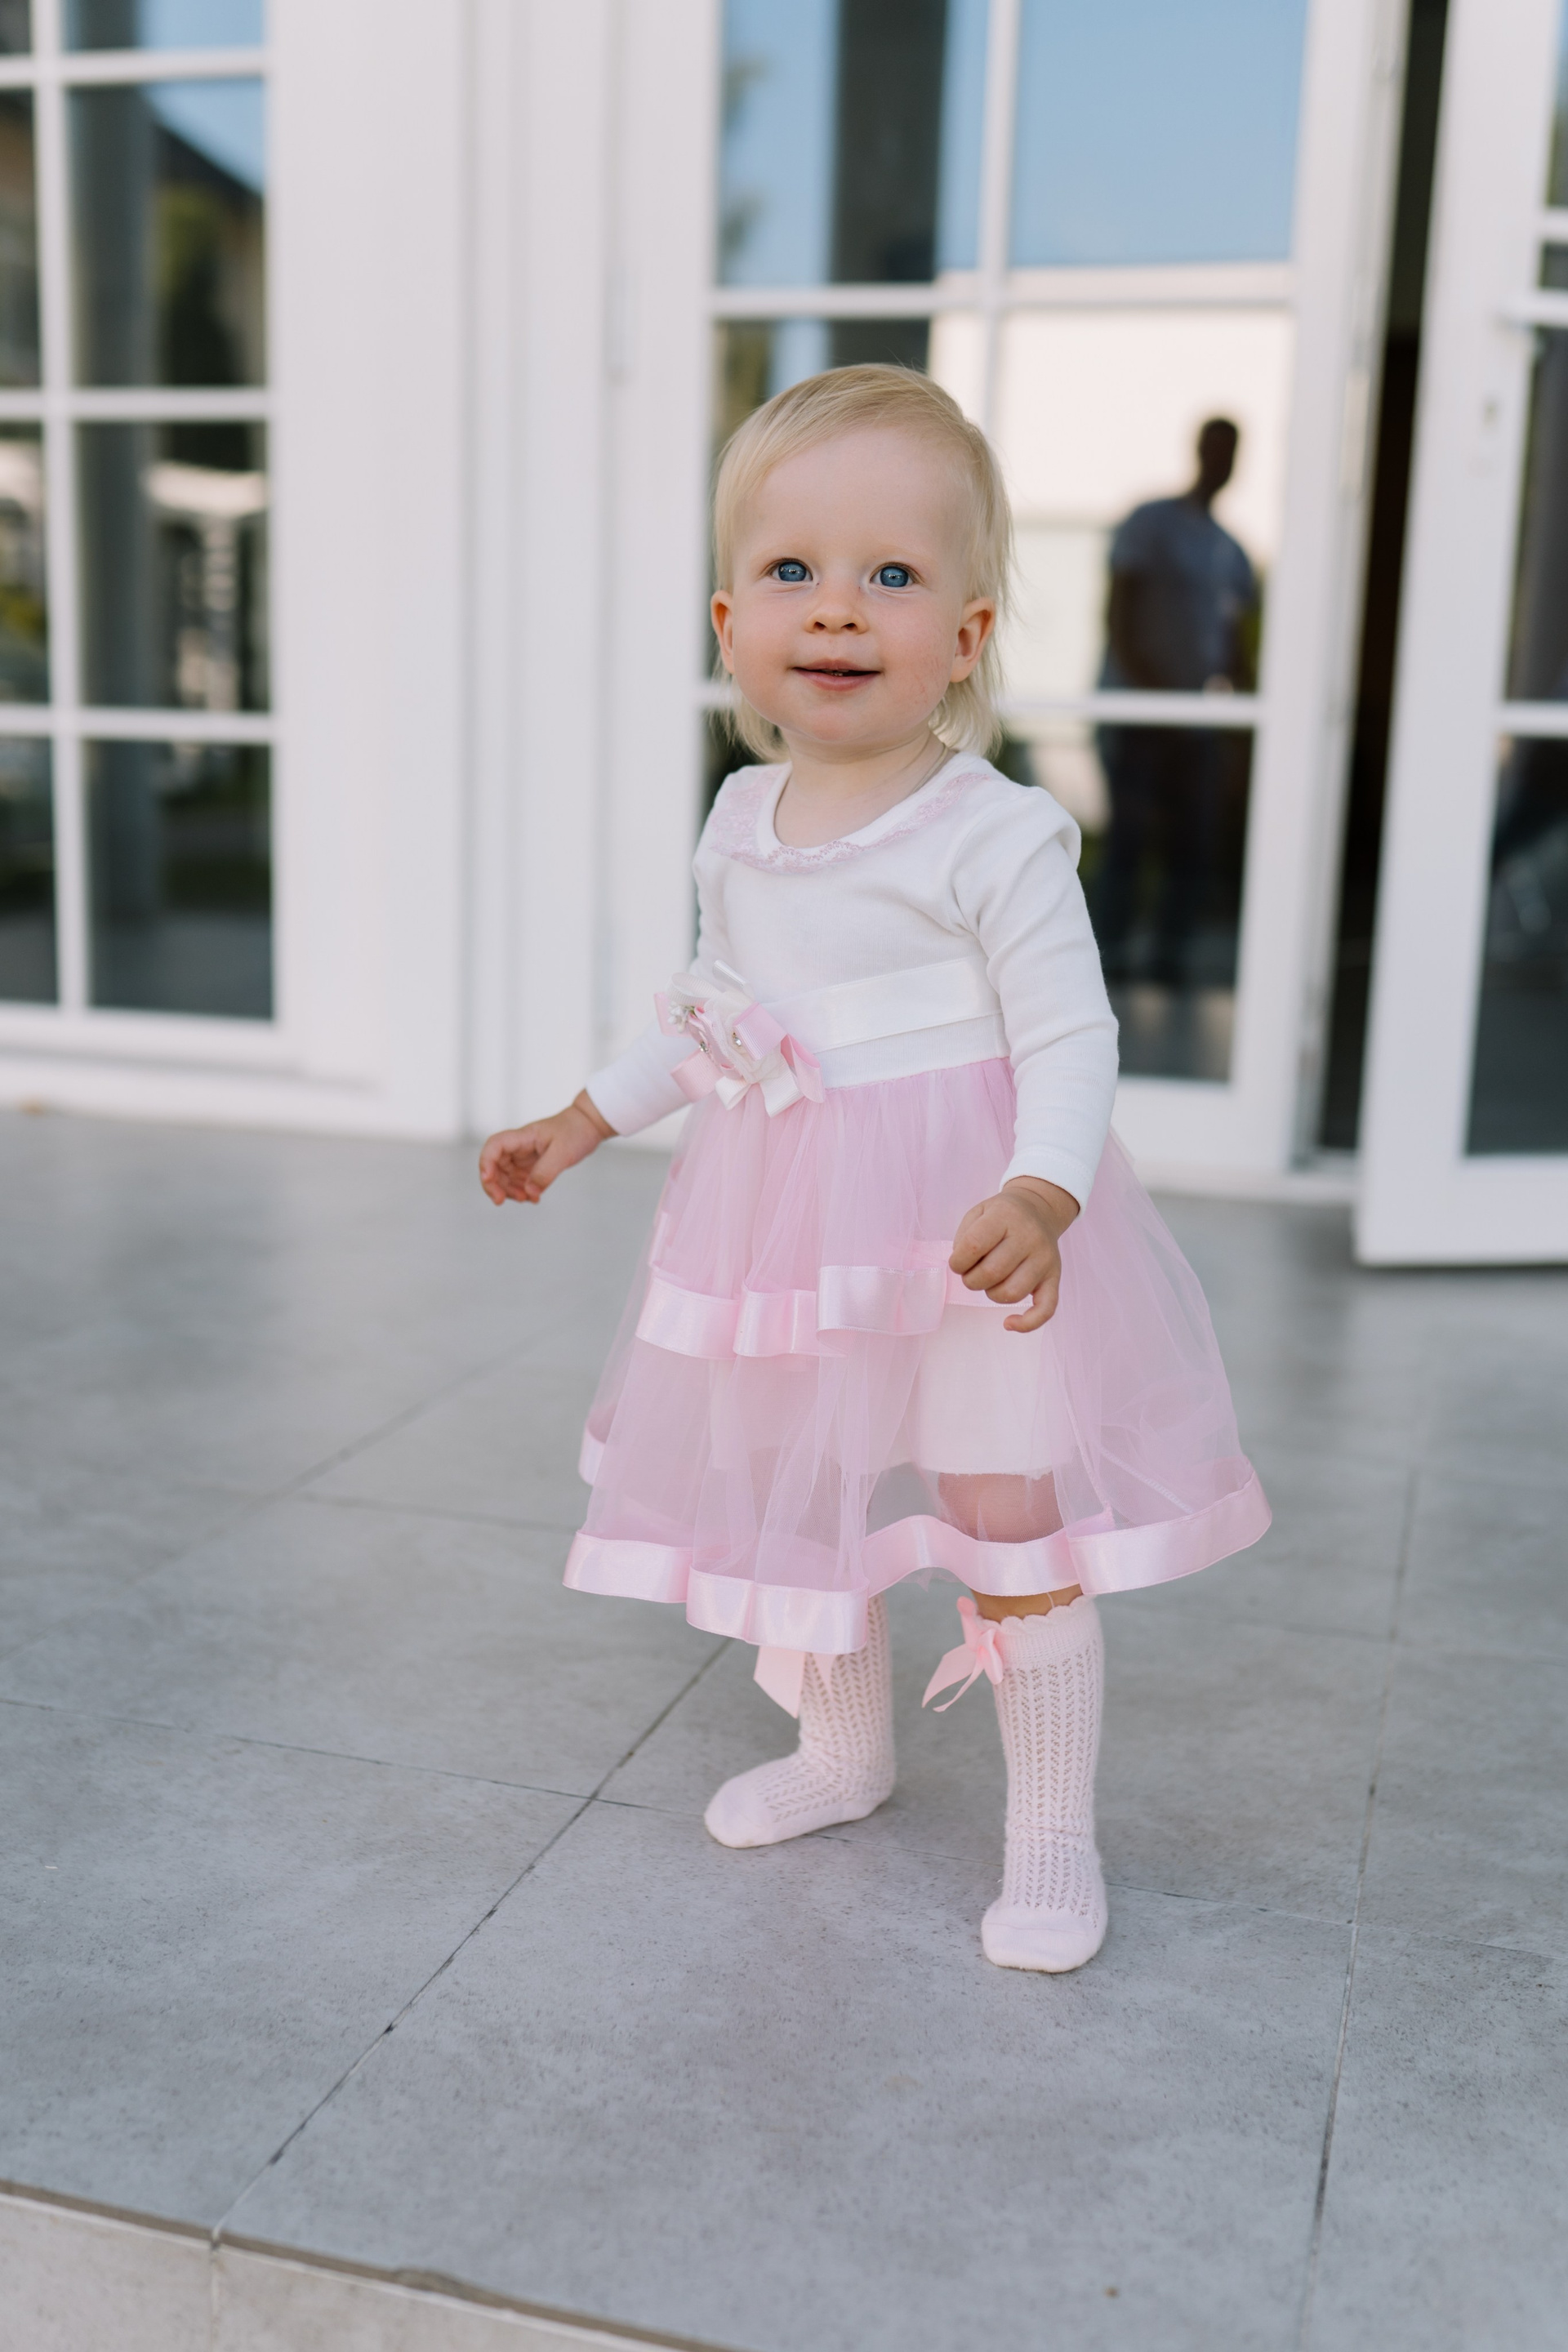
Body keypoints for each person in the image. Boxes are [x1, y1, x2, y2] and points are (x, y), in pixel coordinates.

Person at [479, 368, 1269, 1975]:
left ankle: (1051, 1834)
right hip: (785, 1233)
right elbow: (714, 1017)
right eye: (793, 571)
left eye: (892, 575)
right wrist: (583, 1118)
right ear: (729, 622)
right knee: (805, 1491)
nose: (838, 608)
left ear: (965, 637)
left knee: (1006, 1516)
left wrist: (1041, 1193)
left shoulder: (994, 832)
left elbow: (1073, 1036)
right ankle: (842, 1752)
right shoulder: (739, 817)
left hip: (961, 1235)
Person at [1095, 417, 1258, 985]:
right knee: (1129, 839)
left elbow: (1233, 648)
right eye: (1215, 449)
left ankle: (1170, 959)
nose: (1221, 461)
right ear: (1199, 450)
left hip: (1195, 723)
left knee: (1192, 843)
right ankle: (1106, 959)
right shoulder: (1151, 523)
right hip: (1139, 713)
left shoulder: (1231, 551)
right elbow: (1119, 616)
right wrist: (1156, 699)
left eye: (1231, 452)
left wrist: (1244, 726)